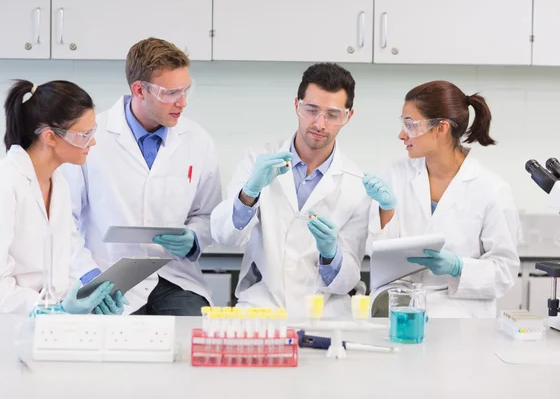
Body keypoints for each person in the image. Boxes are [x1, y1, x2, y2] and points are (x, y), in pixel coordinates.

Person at [62, 38, 221, 316]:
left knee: (190, 340)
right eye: (171, 93)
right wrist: (88, 276)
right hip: (109, 278)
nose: (182, 103)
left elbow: (208, 214)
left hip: (175, 278)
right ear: (139, 90)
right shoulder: (90, 136)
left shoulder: (198, 140)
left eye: (186, 91)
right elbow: (65, 221)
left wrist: (194, 237)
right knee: (119, 351)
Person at [211, 63, 374, 318]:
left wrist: (332, 255)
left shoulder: (357, 185)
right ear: (297, 105)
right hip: (262, 304)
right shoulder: (258, 160)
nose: (320, 124)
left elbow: (347, 280)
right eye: (311, 110)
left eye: (332, 115)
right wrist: (249, 193)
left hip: (326, 310)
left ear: (348, 116)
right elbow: (225, 237)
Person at [0, 80, 126, 315]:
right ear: (50, 137)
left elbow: (59, 270)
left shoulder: (58, 184)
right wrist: (50, 309)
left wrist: (86, 301)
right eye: (85, 134)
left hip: (47, 328)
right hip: (0, 329)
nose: (93, 142)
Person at [366, 80, 520, 318]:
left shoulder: (491, 188)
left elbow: (504, 272)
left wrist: (459, 267)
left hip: (462, 320)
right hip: (402, 311)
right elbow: (375, 254)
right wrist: (386, 210)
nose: (401, 134)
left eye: (410, 124)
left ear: (441, 128)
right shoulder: (396, 174)